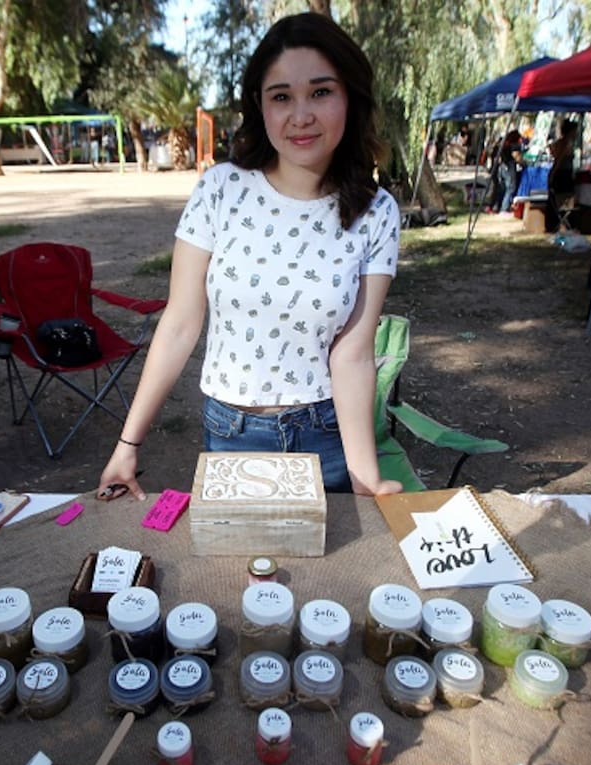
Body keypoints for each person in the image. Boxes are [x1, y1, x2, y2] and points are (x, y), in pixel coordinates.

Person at [96, 12, 403, 502]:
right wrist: (127, 444)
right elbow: (179, 324)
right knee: (235, 555)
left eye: (321, 92)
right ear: (259, 106)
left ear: (351, 97)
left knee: (335, 554)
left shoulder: (377, 211)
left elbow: (353, 353)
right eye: (281, 96)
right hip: (232, 433)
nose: (300, 116)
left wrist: (365, 476)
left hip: (326, 435)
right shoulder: (220, 189)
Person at [545, 118, 578, 233]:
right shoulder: (565, 143)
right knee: (563, 200)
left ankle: (561, 222)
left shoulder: (565, 143)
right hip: (562, 174)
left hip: (563, 173)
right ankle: (561, 223)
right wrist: (553, 174)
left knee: (562, 200)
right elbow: (558, 160)